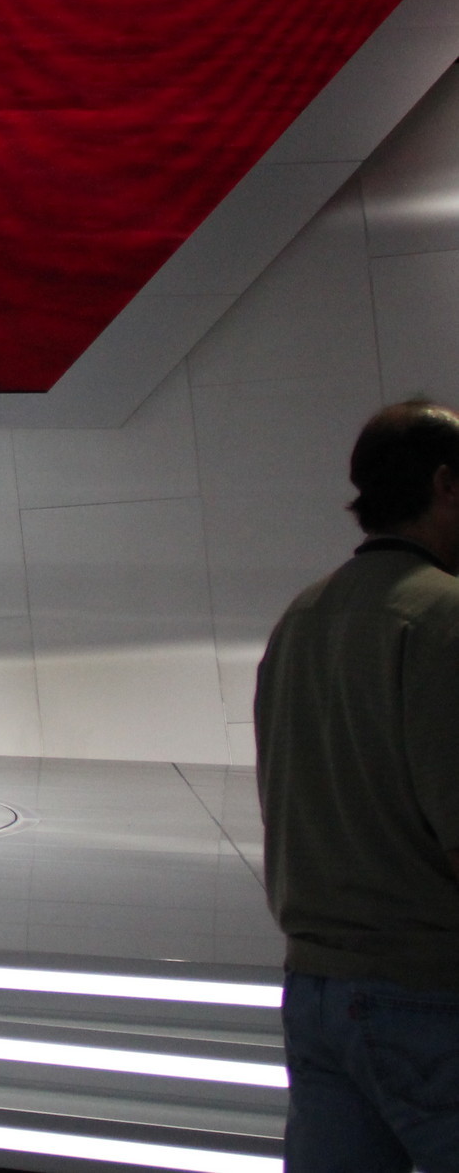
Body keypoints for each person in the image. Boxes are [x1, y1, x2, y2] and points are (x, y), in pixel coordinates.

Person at [257, 400, 459, 1168]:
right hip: (427, 992)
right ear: (445, 484)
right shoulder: (442, 619)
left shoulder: (301, 618)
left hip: (313, 989)